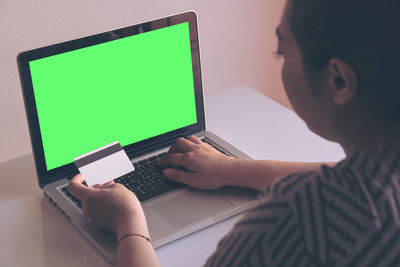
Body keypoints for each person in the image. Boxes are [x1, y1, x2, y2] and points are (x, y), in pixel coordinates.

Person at [68, 0, 400, 266]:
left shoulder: (298, 214)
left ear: (339, 81)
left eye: (281, 51)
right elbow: (359, 181)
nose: (279, 60)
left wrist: (129, 225)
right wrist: (230, 168)